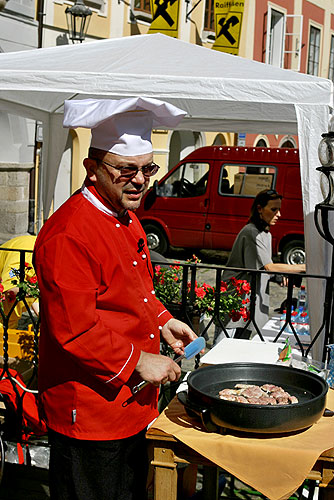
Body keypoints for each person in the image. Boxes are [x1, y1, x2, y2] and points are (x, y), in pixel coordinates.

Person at [33, 97, 199, 500]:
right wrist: (141, 360)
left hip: (129, 403)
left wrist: (162, 319)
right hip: (89, 411)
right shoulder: (69, 233)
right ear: (92, 170)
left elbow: (134, 288)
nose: (140, 180)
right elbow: (74, 330)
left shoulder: (126, 216)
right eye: (126, 170)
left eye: (147, 169)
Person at [214, 189, 306, 344]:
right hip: (236, 298)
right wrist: (304, 267)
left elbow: (261, 267)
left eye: (279, 209)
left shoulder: (265, 234)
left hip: (249, 298)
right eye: (274, 209)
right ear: (259, 209)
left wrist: (278, 276)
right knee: (222, 345)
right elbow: (269, 266)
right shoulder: (251, 232)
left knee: (240, 346)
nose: (279, 214)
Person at [0, 235, 39, 329]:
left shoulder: (42, 252)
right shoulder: (24, 252)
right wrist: (40, 292)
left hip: (9, 315)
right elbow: (11, 287)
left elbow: (34, 293)